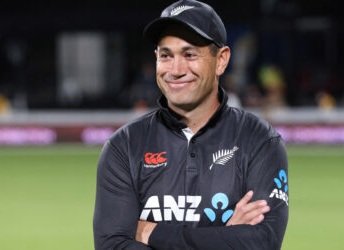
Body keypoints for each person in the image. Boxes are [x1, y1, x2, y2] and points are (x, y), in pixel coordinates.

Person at [93, 0, 289, 249]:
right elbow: (112, 245)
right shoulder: (124, 146)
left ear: (221, 60)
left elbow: (262, 242)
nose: (176, 70)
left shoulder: (260, 141)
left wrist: (149, 233)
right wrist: (225, 237)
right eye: (166, 55)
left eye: (190, 54)